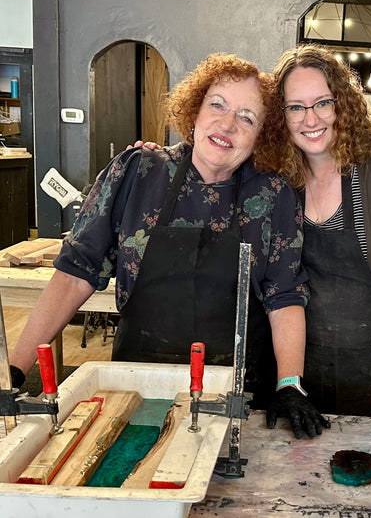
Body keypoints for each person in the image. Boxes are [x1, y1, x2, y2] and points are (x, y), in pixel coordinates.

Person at [8, 53, 329, 439]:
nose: (226, 124)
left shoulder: (273, 194)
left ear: (263, 134)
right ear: (194, 111)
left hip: (236, 395)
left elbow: (285, 296)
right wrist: (11, 371)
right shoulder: (137, 172)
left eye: (247, 117)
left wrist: (289, 383)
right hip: (135, 388)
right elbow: (75, 275)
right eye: (217, 105)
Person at [264, 44, 371, 420]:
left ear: (342, 104)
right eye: (295, 107)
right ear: (281, 117)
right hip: (300, 378)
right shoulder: (279, 182)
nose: (310, 119)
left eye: (322, 103)